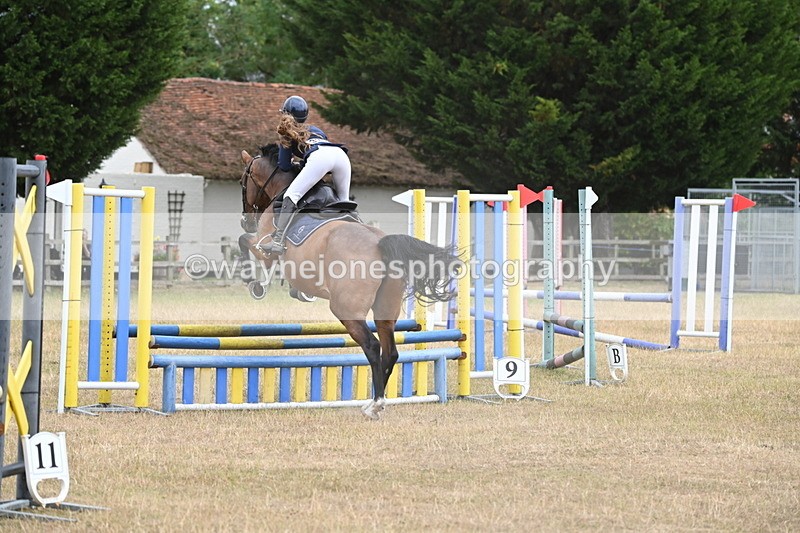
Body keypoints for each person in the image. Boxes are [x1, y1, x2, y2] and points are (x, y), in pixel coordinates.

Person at [262, 95, 352, 255]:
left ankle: (278, 241)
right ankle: (357, 227)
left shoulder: (286, 134)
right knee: (343, 202)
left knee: (291, 196)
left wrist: (295, 162)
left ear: (284, 114)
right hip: (341, 156)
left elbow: (283, 166)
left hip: (319, 158)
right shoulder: (316, 130)